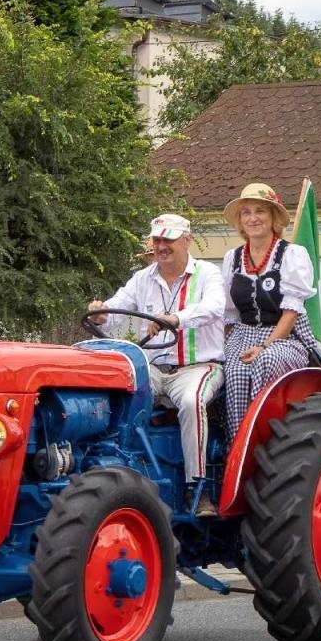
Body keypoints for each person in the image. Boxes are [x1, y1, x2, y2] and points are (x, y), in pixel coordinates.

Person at [89, 213, 227, 516]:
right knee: (117, 396)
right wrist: (101, 314)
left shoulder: (207, 274)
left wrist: (176, 319)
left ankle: (198, 488)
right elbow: (116, 311)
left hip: (198, 367)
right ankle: (125, 477)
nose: (162, 246)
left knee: (192, 402)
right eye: (158, 240)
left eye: (169, 239)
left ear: (186, 241)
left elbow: (215, 307)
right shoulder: (143, 278)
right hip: (153, 368)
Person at [219, 182, 321, 437]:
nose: (253, 218)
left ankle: (268, 439)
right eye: (246, 212)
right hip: (243, 334)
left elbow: (291, 311)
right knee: (232, 373)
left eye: (260, 211)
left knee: (266, 361)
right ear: (240, 220)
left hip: (285, 336)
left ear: (273, 218)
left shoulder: (292, 254)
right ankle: (239, 446)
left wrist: (266, 345)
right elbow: (229, 313)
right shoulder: (232, 258)